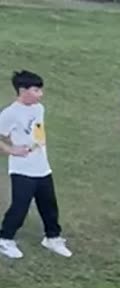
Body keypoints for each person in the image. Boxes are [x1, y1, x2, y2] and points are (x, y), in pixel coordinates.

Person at [0, 70, 71, 259]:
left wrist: (38, 142)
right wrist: (11, 150)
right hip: (22, 170)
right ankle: (5, 239)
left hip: (42, 167)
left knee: (49, 206)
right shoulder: (10, 113)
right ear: (23, 91)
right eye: (36, 90)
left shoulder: (39, 108)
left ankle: (52, 238)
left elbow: (38, 130)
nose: (41, 94)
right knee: (20, 206)